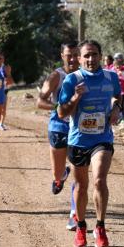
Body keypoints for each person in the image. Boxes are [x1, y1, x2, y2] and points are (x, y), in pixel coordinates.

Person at [57, 40, 121, 247]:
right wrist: (76, 96)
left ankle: (100, 227)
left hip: (102, 138)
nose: (90, 59)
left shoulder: (111, 77)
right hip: (78, 140)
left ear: (101, 56)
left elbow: (116, 96)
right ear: (79, 58)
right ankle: (82, 226)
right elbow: (61, 112)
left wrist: (115, 108)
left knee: (100, 180)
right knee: (81, 186)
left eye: (94, 54)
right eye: (86, 56)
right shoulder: (72, 80)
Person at [37, 43, 79, 199]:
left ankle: (75, 213)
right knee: (57, 173)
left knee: (80, 174)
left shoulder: (86, 75)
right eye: (69, 55)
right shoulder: (56, 76)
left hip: (80, 127)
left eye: (76, 55)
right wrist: (59, 107)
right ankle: (60, 177)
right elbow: (39, 102)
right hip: (59, 126)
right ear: (62, 56)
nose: (73, 59)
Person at [112, 52, 124, 124]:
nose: (118, 61)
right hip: (117, 90)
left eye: (120, 59)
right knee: (117, 105)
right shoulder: (113, 69)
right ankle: (117, 119)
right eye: (117, 59)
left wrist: (121, 73)